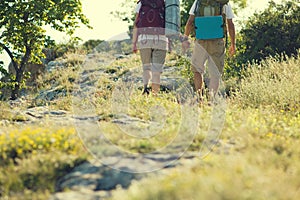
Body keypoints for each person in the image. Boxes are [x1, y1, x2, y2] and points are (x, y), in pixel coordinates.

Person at [182, 0, 236, 101]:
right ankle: (212, 98)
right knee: (215, 73)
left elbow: (190, 22)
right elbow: (230, 24)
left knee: (197, 70)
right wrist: (233, 44)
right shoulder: (224, 3)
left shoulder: (198, 2)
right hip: (217, 42)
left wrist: (185, 39)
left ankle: (199, 97)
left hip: (201, 41)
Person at [132, 0, 168, 95]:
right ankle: (155, 94)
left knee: (146, 67)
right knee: (157, 70)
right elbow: (169, 23)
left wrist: (134, 43)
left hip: (144, 39)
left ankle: (145, 89)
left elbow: (136, 24)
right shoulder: (165, 2)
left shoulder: (142, 3)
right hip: (161, 39)